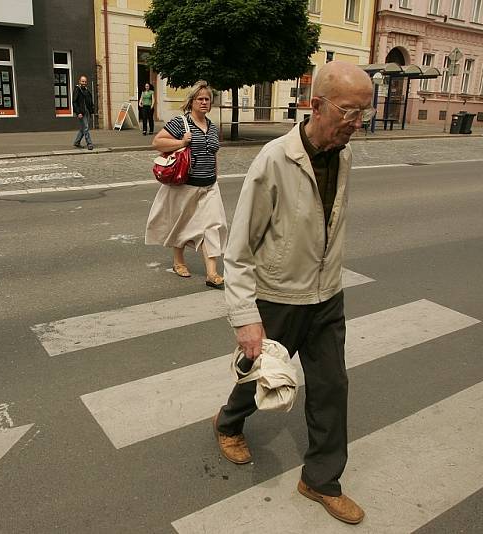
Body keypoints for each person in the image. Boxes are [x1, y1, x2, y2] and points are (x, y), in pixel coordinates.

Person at [213, 62, 374, 525]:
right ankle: (228, 422)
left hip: (327, 295)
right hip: (280, 295)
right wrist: (246, 317)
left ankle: (320, 480)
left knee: (331, 387)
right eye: (348, 112)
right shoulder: (274, 161)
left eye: (363, 112)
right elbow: (239, 247)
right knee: (262, 376)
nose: (356, 124)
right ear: (316, 104)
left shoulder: (343, 154)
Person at [145, 80, 227, 289]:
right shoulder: (180, 123)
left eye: (207, 99)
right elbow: (157, 142)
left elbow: (214, 152)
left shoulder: (213, 126)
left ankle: (211, 273)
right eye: (200, 98)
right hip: (185, 185)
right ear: (191, 101)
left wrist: (215, 175)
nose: (204, 102)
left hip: (209, 186)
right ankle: (178, 261)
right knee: (181, 224)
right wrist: (182, 142)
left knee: (212, 227)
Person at [73, 75, 95, 150]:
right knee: (86, 127)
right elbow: (74, 102)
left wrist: (92, 110)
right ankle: (89, 143)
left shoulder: (87, 90)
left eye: (85, 82)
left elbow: (90, 101)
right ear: (79, 81)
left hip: (87, 112)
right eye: (82, 81)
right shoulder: (77, 90)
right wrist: (78, 112)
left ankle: (77, 142)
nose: (84, 83)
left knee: (83, 128)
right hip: (81, 112)